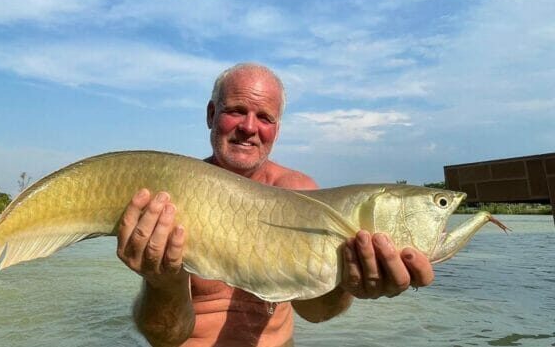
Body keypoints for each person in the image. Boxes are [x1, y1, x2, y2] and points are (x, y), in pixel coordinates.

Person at [116, 63, 435, 347]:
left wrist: (346, 285)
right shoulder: (172, 195)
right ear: (212, 114)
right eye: (236, 110)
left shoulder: (301, 193)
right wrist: (162, 283)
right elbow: (164, 337)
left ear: (276, 130)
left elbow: (314, 312)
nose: (250, 127)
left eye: (265, 117)